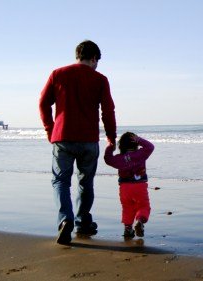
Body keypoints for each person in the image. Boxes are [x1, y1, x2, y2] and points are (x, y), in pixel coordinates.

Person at [39, 40, 117, 245]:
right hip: (89, 140)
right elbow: (108, 111)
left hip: (63, 137)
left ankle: (66, 219)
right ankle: (82, 221)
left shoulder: (58, 74)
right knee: (85, 182)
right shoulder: (100, 79)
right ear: (93, 59)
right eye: (97, 61)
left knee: (60, 181)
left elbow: (43, 103)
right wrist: (111, 136)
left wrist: (50, 128)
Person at [104, 132, 154, 239]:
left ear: (121, 146)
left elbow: (107, 159)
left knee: (127, 208)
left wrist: (110, 147)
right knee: (143, 206)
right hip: (140, 186)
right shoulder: (141, 154)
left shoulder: (119, 158)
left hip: (124, 188)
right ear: (135, 144)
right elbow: (150, 146)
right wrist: (139, 139)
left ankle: (128, 228)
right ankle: (140, 221)